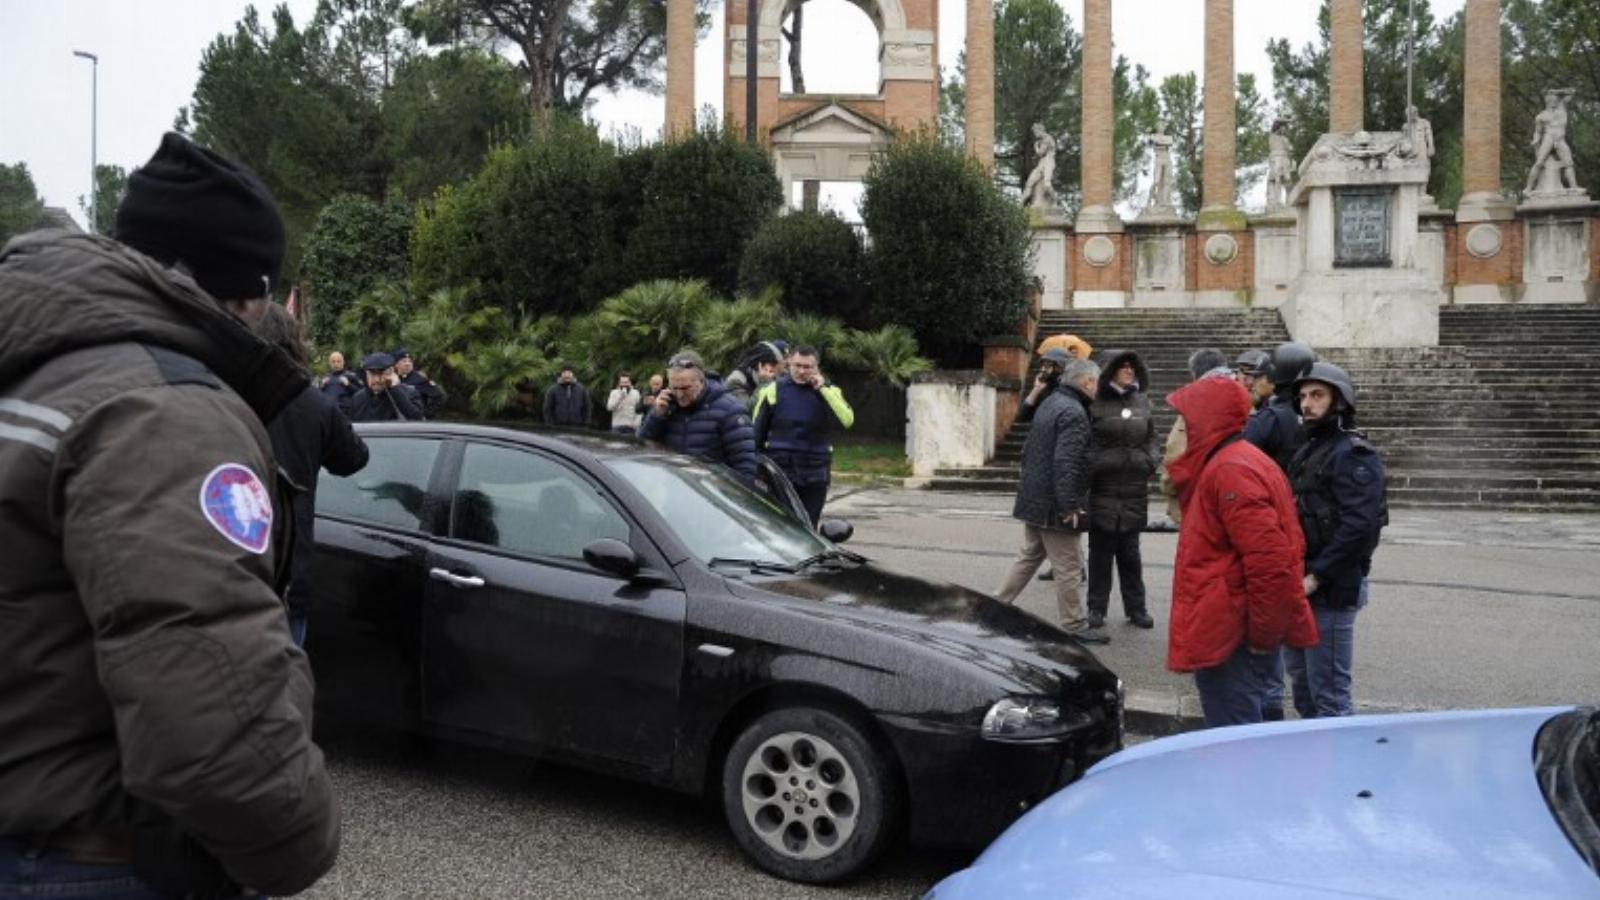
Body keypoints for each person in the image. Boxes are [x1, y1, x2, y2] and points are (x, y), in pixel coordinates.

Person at [0, 132, 338, 898]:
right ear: (248, 296)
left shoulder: (34, 375)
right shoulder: (163, 411)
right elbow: (208, 709)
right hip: (94, 857)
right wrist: (294, 843)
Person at [1164, 375, 1319, 728]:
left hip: (1232, 635)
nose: (1183, 429)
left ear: (1208, 418)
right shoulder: (1237, 460)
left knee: (1233, 740)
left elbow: (1270, 562)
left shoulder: (1230, 469)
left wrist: (1264, 637)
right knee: (1249, 732)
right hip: (1232, 627)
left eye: (1189, 419)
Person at [255, 304, 369, 646]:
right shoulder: (314, 403)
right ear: (295, 343)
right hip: (289, 576)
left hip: (230, 572)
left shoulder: (223, 392)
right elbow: (353, 458)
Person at [1286, 362, 1388, 719]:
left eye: (1317, 395)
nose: (1307, 404)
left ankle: (1342, 770)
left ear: (1339, 401)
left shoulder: (1354, 453)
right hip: (1302, 584)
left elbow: (1360, 527)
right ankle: (1314, 766)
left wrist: (1317, 577)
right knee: (1302, 688)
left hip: (1332, 587)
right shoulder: (1309, 448)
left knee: (1329, 696)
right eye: (1302, 396)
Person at [993, 355, 1109, 644]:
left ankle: (994, 605)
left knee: (1029, 556)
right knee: (1068, 566)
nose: (1098, 388)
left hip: (1035, 497)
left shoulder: (1051, 402)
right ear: (1087, 381)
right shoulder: (1074, 412)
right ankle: (1074, 624)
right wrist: (1069, 505)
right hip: (1054, 504)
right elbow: (1066, 462)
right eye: (1096, 382)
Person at [1085, 350, 1159, 630]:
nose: (1129, 371)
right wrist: (1099, 462)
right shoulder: (1096, 402)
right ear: (1111, 371)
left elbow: (1152, 437)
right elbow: (1087, 441)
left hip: (1134, 487)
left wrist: (1149, 461)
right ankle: (1096, 609)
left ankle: (1136, 609)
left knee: (1130, 553)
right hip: (1103, 485)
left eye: (1132, 367)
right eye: (1123, 367)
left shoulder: (1141, 399)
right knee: (1100, 553)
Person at [752, 344, 855, 526]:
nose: (801, 371)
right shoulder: (773, 389)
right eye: (797, 365)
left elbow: (847, 419)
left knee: (808, 524)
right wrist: (759, 470)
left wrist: (823, 389)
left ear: (816, 368)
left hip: (815, 469)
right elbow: (756, 434)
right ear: (789, 363)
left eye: (807, 367)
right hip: (781, 468)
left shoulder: (830, 391)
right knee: (781, 524)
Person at [638, 350, 757, 482]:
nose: (679, 395)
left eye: (685, 388)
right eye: (674, 388)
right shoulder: (667, 406)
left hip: (713, 497)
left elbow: (745, 470)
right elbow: (640, 448)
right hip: (673, 491)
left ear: (701, 381)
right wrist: (656, 415)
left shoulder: (731, 411)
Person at [1158, 348, 1232, 525]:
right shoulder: (1244, 396)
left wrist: (1168, 487)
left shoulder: (1195, 403)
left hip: (1201, 498)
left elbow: (1176, 452)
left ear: (1194, 373)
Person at [1244, 341, 1317, 472]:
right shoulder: (1324, 413)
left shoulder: (1269, 418)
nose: (1255, 381)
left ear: (1274, 375)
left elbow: (1241, 457)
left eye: (1261, 376)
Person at [347, 351, 425, 422]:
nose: (377, 380)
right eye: (372, 374)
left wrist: (394, 389)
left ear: (391, 372)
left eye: (381, 373)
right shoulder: (358, 398)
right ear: (366, 374)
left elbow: (417, 419)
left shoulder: (409, 393)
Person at [724, 341, 785, 411]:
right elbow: (746, 410)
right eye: (773, 365)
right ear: (760, 364)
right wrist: (763, 384)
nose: (774, 371)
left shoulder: (770, 378)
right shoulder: (736, 380)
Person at [392, 348, 446, 419]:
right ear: (396, 364)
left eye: (410, 361)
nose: (407, 364)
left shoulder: (419, 379)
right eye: (404, 361)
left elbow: (438, 396)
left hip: (415, 421)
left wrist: (426, 415)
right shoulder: (393, 379)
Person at [543, 364, 592, 428]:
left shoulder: (582, 389)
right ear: (561, 374)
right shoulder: (553, 389)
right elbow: (547, 408)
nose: (567, 375)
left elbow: (587, 407)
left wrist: (586, 423)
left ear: (573, 374)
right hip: (558, 426)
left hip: (577, 426)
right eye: (564, 373)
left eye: (569, 373)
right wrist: (550, 423)